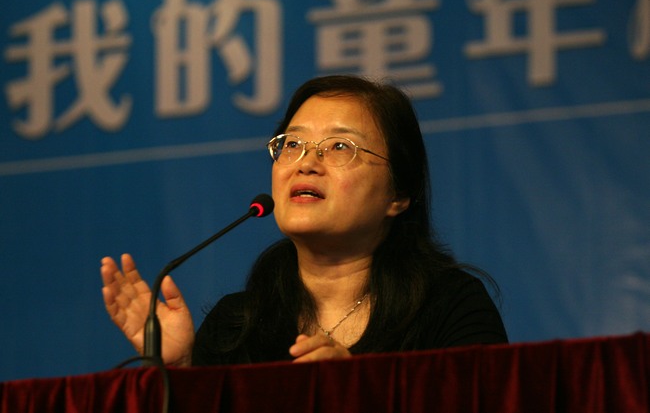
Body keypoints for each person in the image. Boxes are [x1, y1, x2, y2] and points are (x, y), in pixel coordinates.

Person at [101, 75, 508, 367]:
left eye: (340, 146)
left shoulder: (449, 307)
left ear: (398, 196)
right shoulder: (236, 325)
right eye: (292, 143)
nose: (306, 163)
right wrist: (182, 372)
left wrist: (358, 394)